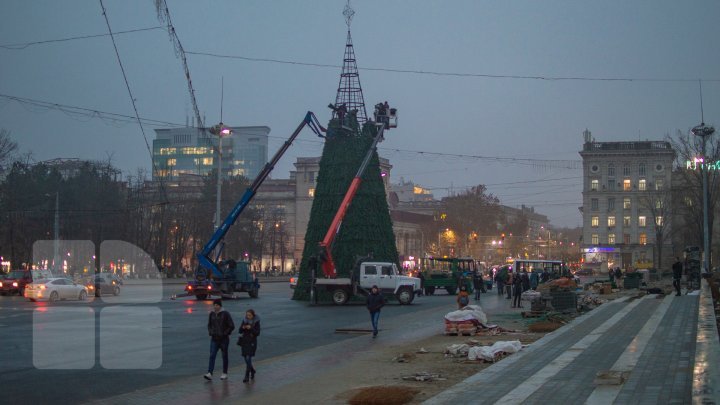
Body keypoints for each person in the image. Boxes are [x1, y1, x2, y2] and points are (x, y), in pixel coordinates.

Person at [205, 299, 235, 381]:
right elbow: (209, 325)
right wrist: (211, 332)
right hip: (214, 338)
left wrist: (225, 333)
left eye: (217, 305)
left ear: (220, 306)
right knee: (212, 355)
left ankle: (224, 373)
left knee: (224, 356)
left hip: (224, 339)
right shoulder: (211, 314)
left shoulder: (225, 314)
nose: (215, 306)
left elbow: (231, 326)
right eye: (214, 305)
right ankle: (210, 373)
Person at [238, 309, 261, 382]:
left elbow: (257, 333)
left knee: (248, 358)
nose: (248, 317)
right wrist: (243, 327)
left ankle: (247, 375)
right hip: (244, 341)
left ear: (253, 315)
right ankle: (252, 370)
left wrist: (251, 328)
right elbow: (239, 331)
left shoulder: (256, 322)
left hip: (252, 341)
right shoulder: (244, 320)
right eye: (247, 315)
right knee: (245, 357)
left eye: (249, 315)